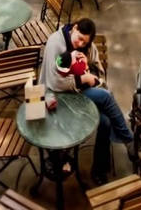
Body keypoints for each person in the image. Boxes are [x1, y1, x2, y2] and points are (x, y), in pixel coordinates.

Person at [40, 17, 135, 184]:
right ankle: (129, 140)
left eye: (85, 42)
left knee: (105, 122)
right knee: (105, 96)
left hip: (79, 93)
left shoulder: (87, 47)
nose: (80, 44)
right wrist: (84, 78)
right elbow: (54, 82)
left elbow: (97, 70)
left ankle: (99, 171)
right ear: (74, 28)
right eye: (79, 38)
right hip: (58, 96)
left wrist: (88, 70)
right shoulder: (56, 42)